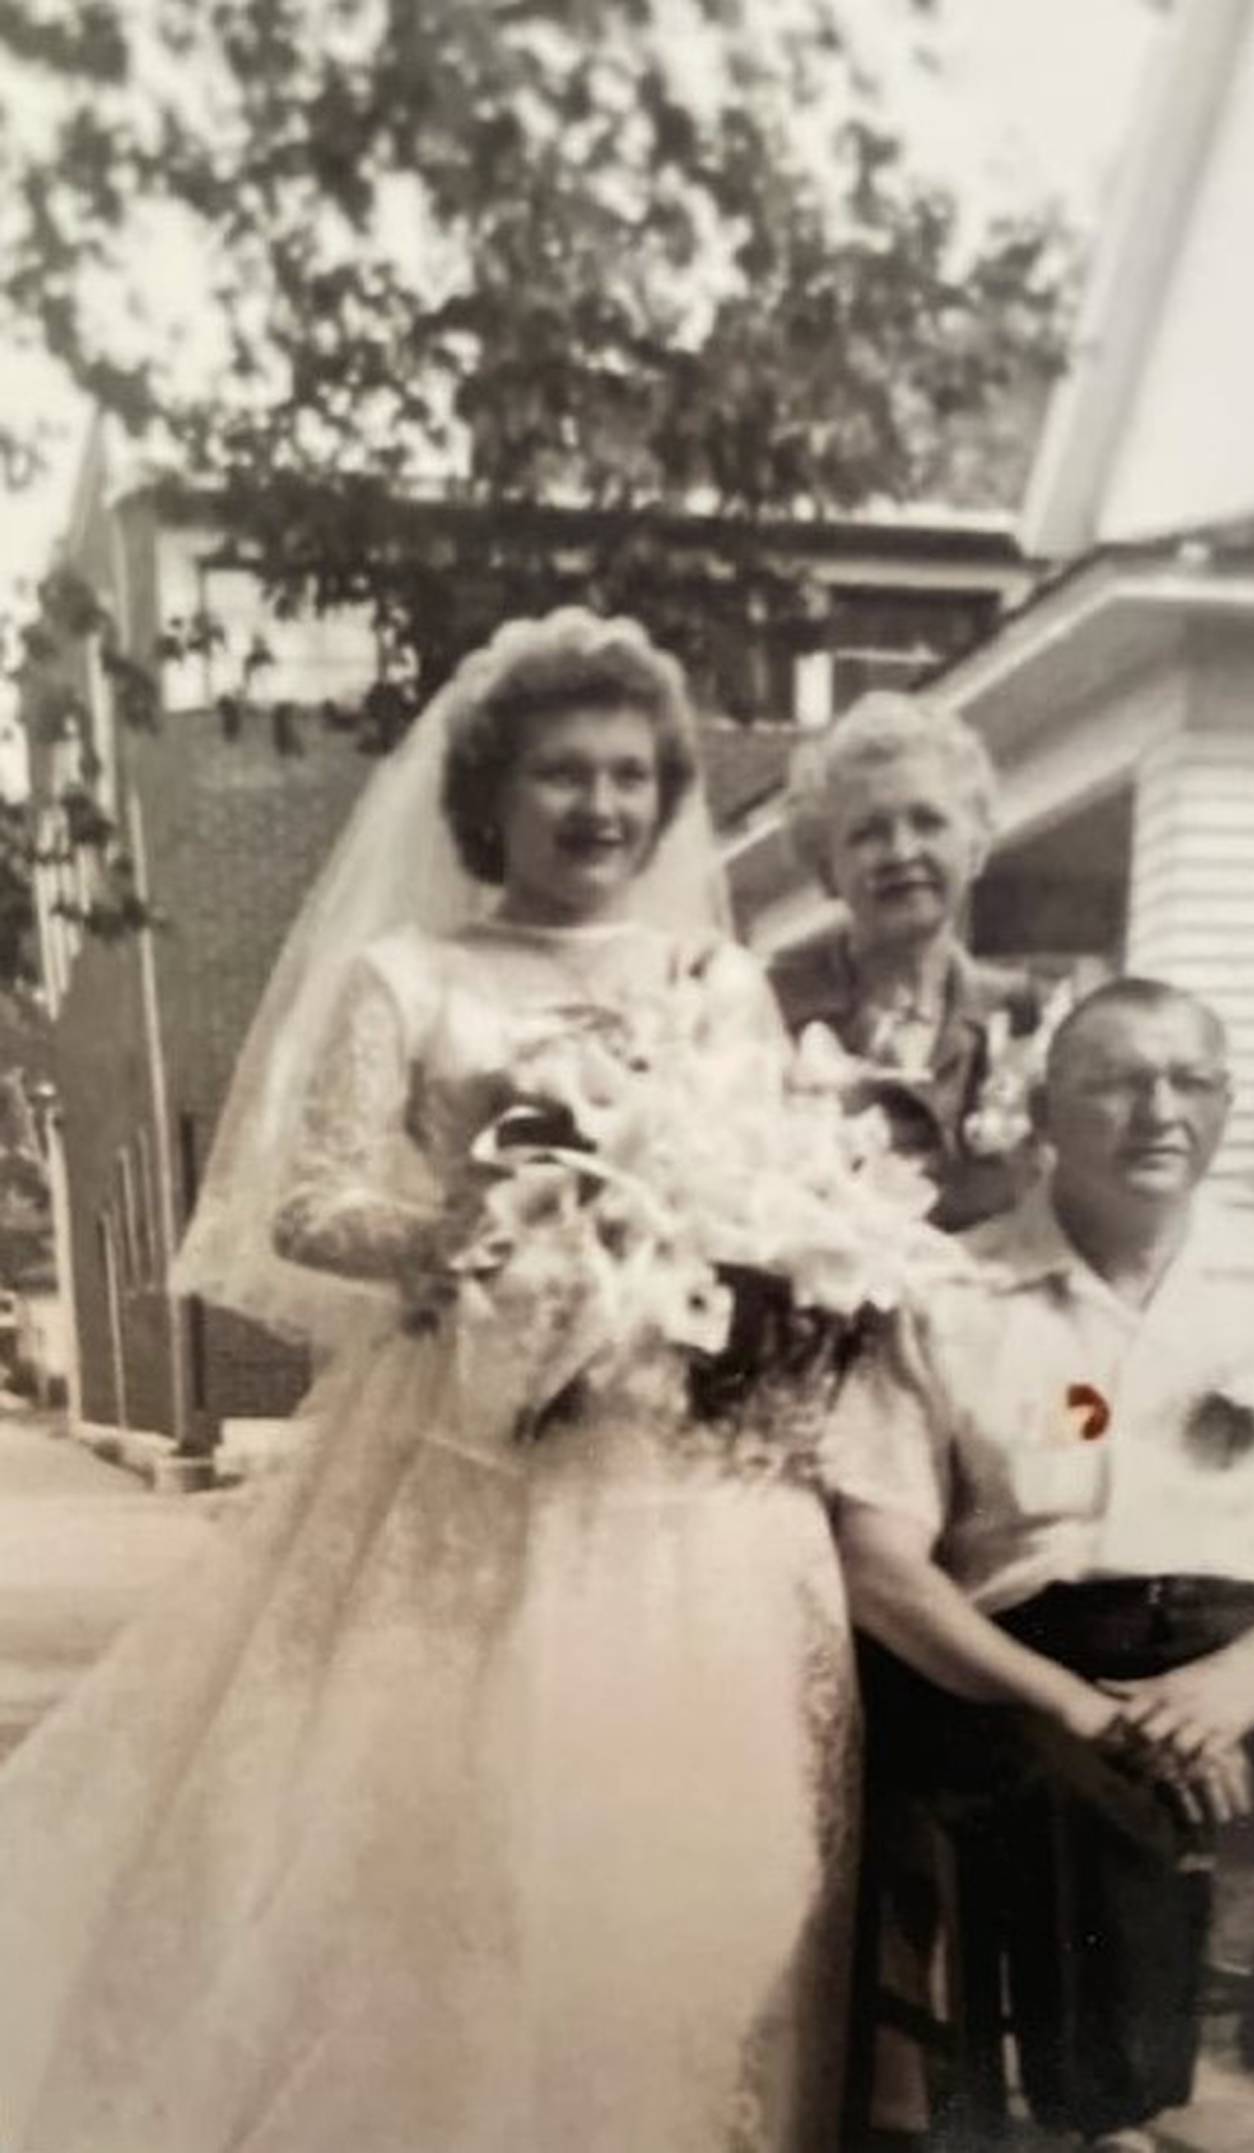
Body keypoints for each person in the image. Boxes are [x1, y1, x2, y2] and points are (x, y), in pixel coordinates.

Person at [0, 610, 870, 2153]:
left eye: (626, 776)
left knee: (671, 1850)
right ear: (490, 795)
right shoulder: (409, 975)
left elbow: (761, 1193)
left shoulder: (713, 976)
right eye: (558, 775)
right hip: (467, 1450)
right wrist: (493, 1226)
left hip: (666, 1472)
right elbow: (309, 1197)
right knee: (443, 1837)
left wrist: (697, 1229)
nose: (597, 809)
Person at [824, 978, 1254, 2146]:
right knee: (1075, 1781)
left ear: (1227, 1105)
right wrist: (1076, 1702)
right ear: (1045, 1112)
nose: (1161, 1110)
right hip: (1028, 1659)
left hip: (1247, 1648)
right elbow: (877, 1557)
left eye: (1193, 1080)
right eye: (1117, 1080)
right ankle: (1106, 2118)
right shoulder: (948, 1287)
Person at [769, 691, 1041, 1232]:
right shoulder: (768, 1008)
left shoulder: (1027, 1014)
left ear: (977, 847)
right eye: (868, 833)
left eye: (928, 822)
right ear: (825, 867)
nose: (900, 851)